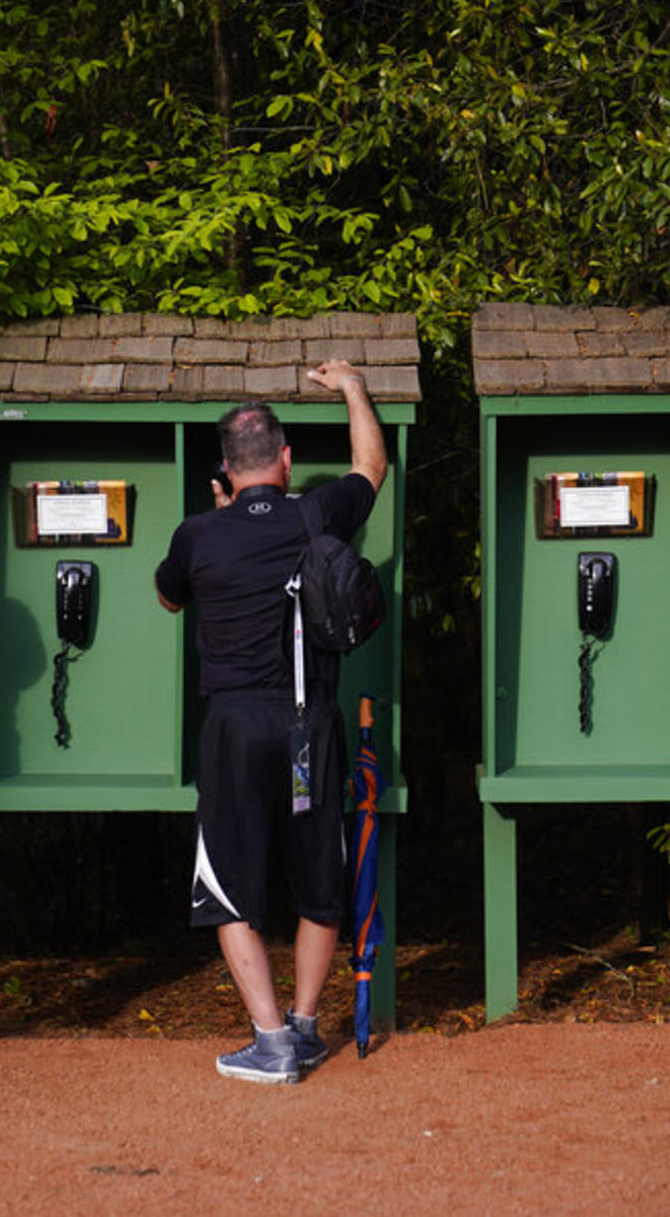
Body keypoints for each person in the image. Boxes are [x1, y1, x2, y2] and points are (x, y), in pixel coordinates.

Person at [154, 359, 388, 1084]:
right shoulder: (317, 513)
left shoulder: (198, 534)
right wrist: (351, 386)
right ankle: (307, 1028)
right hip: (304, 727)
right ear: (285, 460)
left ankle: (268, 1040)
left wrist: (222, 524)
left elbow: (168, 599)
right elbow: (370, 464)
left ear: (226, 468)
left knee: (227, 881)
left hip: (232, 730)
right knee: (319, 873)